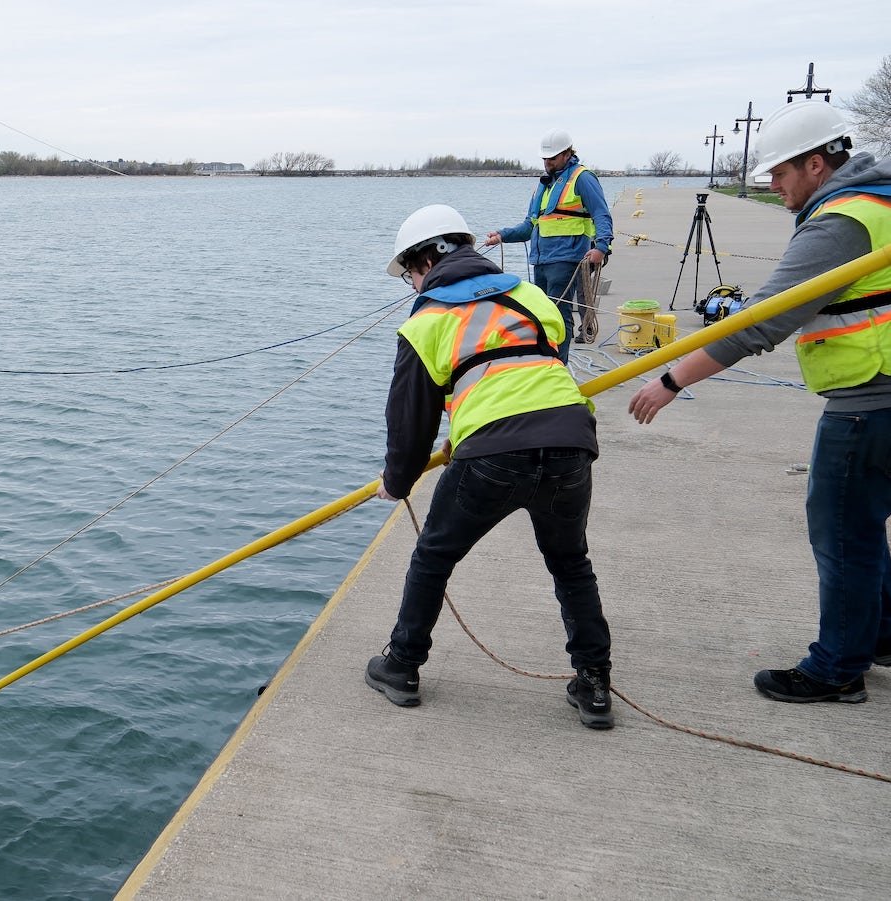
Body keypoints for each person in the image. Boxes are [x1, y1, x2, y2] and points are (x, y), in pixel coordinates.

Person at [628, 100, 891, 704]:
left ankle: (836, 669)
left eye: (779, 174)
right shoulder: (879, 203)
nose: (773, 187)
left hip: (869, 401)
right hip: (878, 397)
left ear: (818, 165)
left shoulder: (842, 223)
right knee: (864, 524)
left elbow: (759, 323)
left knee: (843, 532)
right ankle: (879, 634)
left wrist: (670, 382)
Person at [365, 204, 614, 729]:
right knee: (570, 563)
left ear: (425, 261)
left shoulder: (426, 319)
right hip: (570, 440)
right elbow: (546, 364)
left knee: (434, 556)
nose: (412, 285)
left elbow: (409, 419)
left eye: (409, 273)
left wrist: (397, 481)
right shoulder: (529, 295)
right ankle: (594, 684)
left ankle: (402, 666)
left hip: (493, 453)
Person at [485, 129, 614, 363]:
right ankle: (547, 361)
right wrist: (501, 236)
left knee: (559, 314)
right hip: (542, 261)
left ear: (567, 154)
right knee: (543, 314)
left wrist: (601, 247)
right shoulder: (543, 186)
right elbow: (529, 226)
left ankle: (558, 366)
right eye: (545, 159)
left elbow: (601, 215)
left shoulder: (582, 178)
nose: (547, 163)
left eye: (552, 158)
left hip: (567, 259)